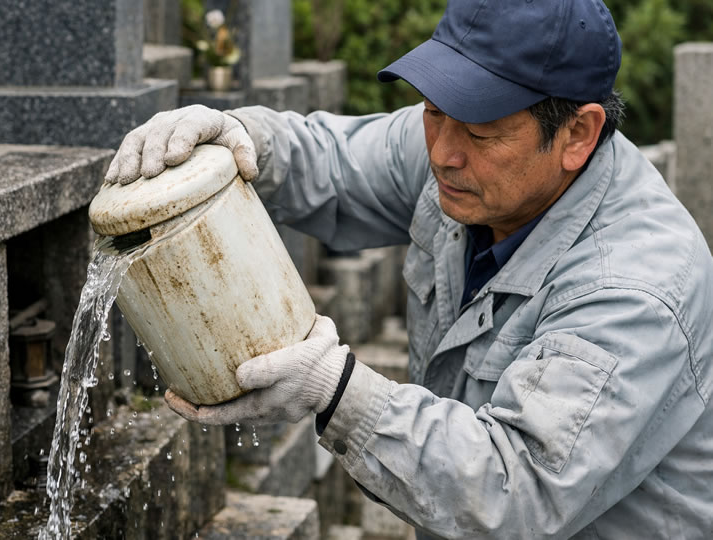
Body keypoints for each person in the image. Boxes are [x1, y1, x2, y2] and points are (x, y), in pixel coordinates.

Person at [105, 0, 713, 538]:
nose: (443, 153)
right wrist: (237, 135)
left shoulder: (636, 286)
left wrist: (334, 392)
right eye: (431, 110)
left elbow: (512, 490)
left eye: (478, 129)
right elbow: (333, 161)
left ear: (578, 132)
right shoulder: (466, 152)